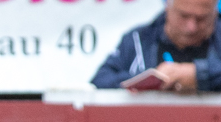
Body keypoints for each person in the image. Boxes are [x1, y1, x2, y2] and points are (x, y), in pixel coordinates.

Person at [91, 0, 221, 92]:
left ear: (215, 12)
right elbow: (99, 81)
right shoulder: (137, 39)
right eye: (183, 16)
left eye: (201, 18)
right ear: (167, 6)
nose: (191, 27)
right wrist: (150, 79)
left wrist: (199, 75)